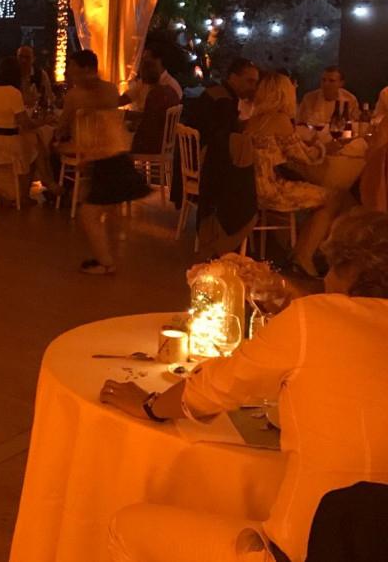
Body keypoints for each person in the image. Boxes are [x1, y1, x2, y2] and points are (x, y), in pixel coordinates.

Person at [102, 209, 388, 562]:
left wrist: (150, 405)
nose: (326, 278)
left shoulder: (312, 319)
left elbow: (212, 390)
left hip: (307, 550)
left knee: (126, 526)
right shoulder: (320, 316)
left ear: (351, 270)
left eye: (331, 268)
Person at [246, 72, 350, 276]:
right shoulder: (280, 120)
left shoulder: (254, 120)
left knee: (321, 194)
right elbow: (304, 157)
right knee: (334, 197)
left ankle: (299, 251)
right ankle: (305, 255)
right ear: (284, 94)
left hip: (251, 188)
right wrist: (324, 147)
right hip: (271, 190)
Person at [58, 50, 149, 275]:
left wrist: (61, 140)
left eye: (72, 67)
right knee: (100, 211)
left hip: (108, 159)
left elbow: (65, 123)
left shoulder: (77, 95)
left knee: (89, 215)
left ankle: (106, 262)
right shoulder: (107, 89)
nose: (69, 71)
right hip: (113, 156)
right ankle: (105, 258)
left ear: (85, 69)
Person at [185, 58, 260, 255]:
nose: (253, 87)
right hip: (208, 163)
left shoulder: (216, 94)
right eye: (249, 81)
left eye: (256, 82)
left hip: (194, 161)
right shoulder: (223, 101)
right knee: (245, 180)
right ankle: (234, 233)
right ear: (233, 78)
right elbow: (224, 141)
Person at [0, 57, 47, 201]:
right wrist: (43, 122)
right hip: (7, 144)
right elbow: (24, 123)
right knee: (34, 144)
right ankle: (26, 193)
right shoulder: (13, 93)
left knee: (34, 140)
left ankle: (46, 183)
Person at [128, 57, 181, 155]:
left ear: (143, 77)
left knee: (122, 145)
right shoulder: (170, 91)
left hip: (154, 144)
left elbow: (148, 123)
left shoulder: (154, 96)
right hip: (168, 142)